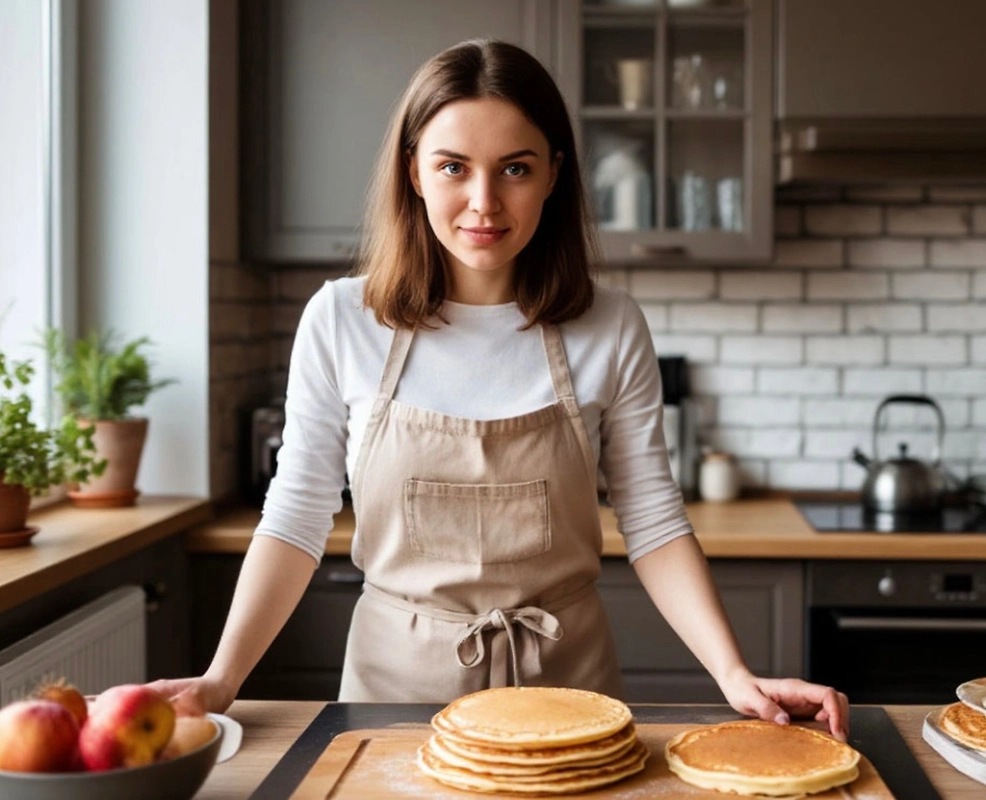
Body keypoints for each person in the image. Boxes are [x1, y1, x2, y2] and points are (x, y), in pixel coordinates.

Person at [151, 39, 849, 741]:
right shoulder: (341, 319)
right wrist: (222, 678)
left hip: (569, 700)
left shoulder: (610, 326)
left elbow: (654, 520)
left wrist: (734, 674)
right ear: (414, 173)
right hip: (391, 704)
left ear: (553, 175)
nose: (484, 202)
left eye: (515, 168)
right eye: (453, 166)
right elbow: (296, 516)